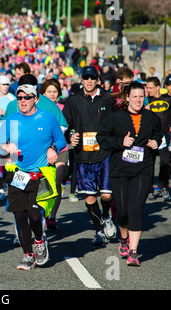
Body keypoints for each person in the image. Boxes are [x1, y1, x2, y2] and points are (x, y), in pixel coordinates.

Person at [0, 81, 66, 270]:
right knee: (20, 216)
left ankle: (40, 241)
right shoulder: (10, 120)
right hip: (17, 174)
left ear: (35, 98)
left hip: (40, 175)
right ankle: (27, 254)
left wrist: (53, 148)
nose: (23, 101)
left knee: (35, 215)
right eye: (19, 98)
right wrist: (5, 147)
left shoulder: (48, 118)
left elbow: (61, 139)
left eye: (27, 97)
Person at [97, 81, 163, 266]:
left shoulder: (151, 118)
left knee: (136, 209)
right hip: (120, 170)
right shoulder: (115, 117)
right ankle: (123, 239)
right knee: (123, 212)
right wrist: (120, 141)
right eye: (134, 96)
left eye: (141, 96)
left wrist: (156, 141)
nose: (138, 100)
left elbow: (159, 133)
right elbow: (101, 138)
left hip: (143, 168)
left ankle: (133, 252)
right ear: (127, 98)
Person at [62, 66, 117, 246]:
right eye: (85, 78)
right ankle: (99, 230)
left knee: (107, 196)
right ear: (82, 80)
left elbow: (119, 121)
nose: (89, 81)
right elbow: (65, 124)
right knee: (90, 198)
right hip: (83, 156)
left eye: (92, 78)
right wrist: (71, 135)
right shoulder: (73, 100)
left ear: (97, 80)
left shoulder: (108, 98)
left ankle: (107, 215)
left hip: (105, 153)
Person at [38, 79, 69, 230]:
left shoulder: (62, 108)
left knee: (57, 182)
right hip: (43, 151)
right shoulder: (38, 108)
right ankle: (42, 212)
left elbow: (69, 127)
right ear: (43, 93)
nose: (52, 94)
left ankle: (52, 216)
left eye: (55, 92)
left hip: (60, 149)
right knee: (44, 183)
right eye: (49, 91)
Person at [146, 76, 171, 201]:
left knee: (165, 163)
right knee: (149, 164)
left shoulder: (167, 99)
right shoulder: (146, 100)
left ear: (157, 87)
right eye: (147, 87)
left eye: (150, 88)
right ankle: (149, 189)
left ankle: (163, 186)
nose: (148, 90)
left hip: (164, 137)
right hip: (149, 138)